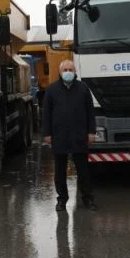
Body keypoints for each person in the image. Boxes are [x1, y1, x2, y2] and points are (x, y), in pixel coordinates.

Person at [42, 60, 97, 212]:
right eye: (65, 69)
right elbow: (46, 113)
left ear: (75, 72)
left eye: (70, 69)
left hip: (79, 135)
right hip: (59, 136)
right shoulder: (52, 90)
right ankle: (61, 200)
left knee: (83, 170)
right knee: (60, 171)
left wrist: (91, 132)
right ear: (60, 73)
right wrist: (47, 133)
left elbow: (90, 112)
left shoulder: (83, 88)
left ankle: (88, 199)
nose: (68, 72)